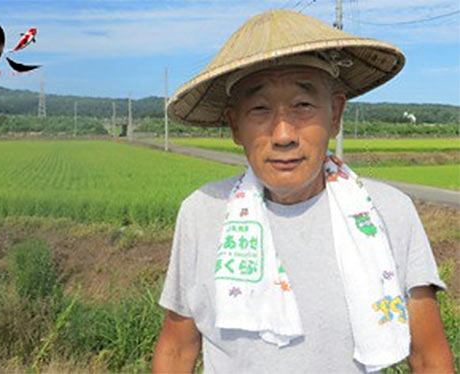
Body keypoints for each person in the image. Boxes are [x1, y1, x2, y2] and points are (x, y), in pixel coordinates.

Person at [152, 9, 454, 374]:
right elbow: (177, 349)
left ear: (336, 114)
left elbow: (428, 357)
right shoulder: (203, 213)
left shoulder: (388, 213)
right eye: (260, 109)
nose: (283, 135)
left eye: (303, 106)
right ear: (235, 125)